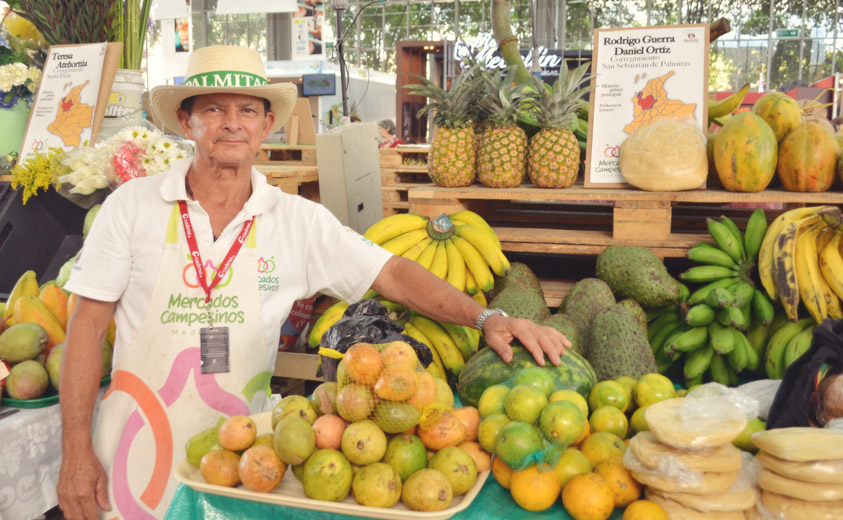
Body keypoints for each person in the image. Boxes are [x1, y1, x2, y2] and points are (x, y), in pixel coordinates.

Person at [56, 45, 569, 520]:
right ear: (187, 122)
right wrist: (75, 451)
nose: (231, 124)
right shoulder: (131, 206)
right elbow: (85, 328)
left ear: (268, 125)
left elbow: (391, 272)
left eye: (248, 111)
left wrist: (487, 318)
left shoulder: (297, 221)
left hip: (245, 464)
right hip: (128, 453)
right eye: (213, 110)